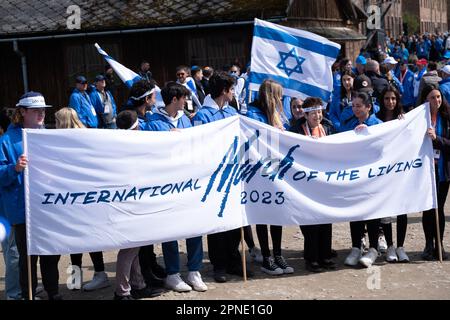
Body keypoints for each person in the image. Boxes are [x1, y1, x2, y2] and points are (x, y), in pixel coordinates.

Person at [145, 82, 208, 292]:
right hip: (166, 184)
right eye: (183, 98)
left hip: (188, 182)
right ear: (175, 99)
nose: (186, 102)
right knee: (169, 228)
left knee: (194, 226)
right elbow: (147, 152)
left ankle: (194, 271)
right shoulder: (153, 122)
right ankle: (172, 273)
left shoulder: (186, 120)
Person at [0, 92, 61, 300]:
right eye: (36, 111)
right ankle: (29, 295)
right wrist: (14, 168)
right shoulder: (7, 140)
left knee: (50, 254)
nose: (41, 115)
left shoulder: (46, 135)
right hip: (22, 209)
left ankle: (53, 292)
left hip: (47, 206)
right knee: (27, 259)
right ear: (23, 112)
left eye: (43, 111)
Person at [192, 71, 251, 283]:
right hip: (214, 178)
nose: (234, 92)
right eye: (232, 89)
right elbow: (199, 146)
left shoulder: (232, 112)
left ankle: (234, 259)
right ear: (224, 91)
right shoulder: (203, 115)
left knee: (235, 222)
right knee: (217, 223)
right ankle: (219, 265)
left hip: (234, 174)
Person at [54, 107, 111, 292]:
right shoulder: (87, 137)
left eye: (56, 121)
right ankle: (87, 276)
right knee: (85, 237)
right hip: (83, 196)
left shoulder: (67, 141)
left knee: (79, 239)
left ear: (62, 122)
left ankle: (83, 277)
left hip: (79, 197)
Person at [245, 79, 294, 276]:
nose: (282, 98)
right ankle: (266, 257)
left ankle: (278, 254)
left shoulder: (278, 114)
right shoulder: (252, 113)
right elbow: (254, 138)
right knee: (263, 214)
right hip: (258, 169)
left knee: (277, 212)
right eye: (279, 95)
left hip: (275, 168)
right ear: (271, 96)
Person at [113, 110, 163, 300]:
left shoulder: (130, 145)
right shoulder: (125, 148)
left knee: (136, 245)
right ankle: (122, 291)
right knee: (129, 248)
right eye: (137, 125)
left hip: (137, 201)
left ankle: (137, 284)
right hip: (129, 202)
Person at [290, 97, 336, 272]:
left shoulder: (329, 127)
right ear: (306, 114)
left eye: (319, 111)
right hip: (306, 182)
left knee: (326, 219)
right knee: (310, 222)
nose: (317, 115)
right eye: (313, 112)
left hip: (325, 181)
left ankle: (325, 255)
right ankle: (311, 259)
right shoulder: (296, 130)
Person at [342, 92, 383, 268]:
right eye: (353, 106)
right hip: (355, 176)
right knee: (356, 213)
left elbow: (385, 146)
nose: (355, 109)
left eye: (359, 105)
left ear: (368, 107)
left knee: (372, 213)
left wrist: (367, 134)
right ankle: (356, 247)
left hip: (374, 177)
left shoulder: (380, 125)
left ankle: (373, 249)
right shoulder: (350, 125)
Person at [376, 87, 410, 263]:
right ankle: (389, 246)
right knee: (387, 210)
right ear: (382, 100)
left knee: (401, 209)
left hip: (400, 170)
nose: (390, 102)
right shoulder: (377, 120)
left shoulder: (403, 119)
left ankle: (401, 246)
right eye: (387, 99)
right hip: (383, 171)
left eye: (393, 99)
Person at [421, 84, 450, 261]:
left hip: (442, 170)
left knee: (438, 208)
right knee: (427, 208)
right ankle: (428, 245)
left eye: (438, 97)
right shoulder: (419, 118)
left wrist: (436, 139)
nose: (436, 100)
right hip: (424, 170)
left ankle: (439, 244)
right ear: (426, 99)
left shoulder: (447, 118)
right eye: (432, 97)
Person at [0, 110, 21, 300]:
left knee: (17, 252)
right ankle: (14, 294)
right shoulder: (5, 141)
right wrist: (14, 168)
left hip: (15, 206)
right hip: (6, 208)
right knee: (12, 252)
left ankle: (22, 288)